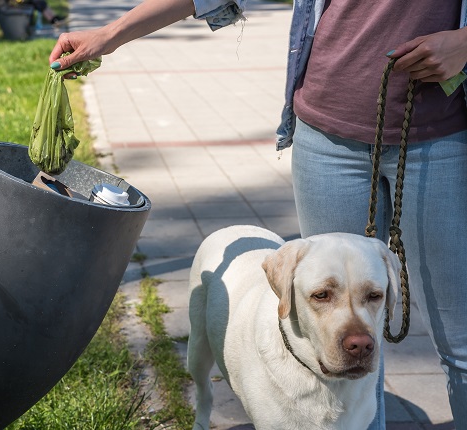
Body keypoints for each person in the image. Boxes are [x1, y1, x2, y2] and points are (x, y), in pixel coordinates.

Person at [48, 0, 467, 429]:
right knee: (340, 340)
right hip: (326, 137)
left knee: (462, 346)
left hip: (444, 134)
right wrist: (109, 34)